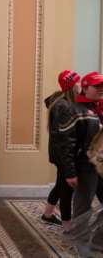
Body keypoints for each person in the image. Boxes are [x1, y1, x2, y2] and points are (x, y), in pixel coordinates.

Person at [59, 72, 103, 257]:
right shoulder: (74, 110)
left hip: (101, 167)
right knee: (82, 207)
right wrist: (69, 172)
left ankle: (98, 244)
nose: (101, 90)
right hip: (85, 168)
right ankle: (80, 244)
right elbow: (65, 144)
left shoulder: (99, 109)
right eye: (97, 86)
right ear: (85, 87)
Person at [41, 70, 81, 232]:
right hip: (63, 154)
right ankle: (67, 226)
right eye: (78, 82)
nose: (81, 85)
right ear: (72, 86)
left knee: (60, 184)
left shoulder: (60, 101)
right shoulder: (64, 106)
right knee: (66, 189)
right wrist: (69, 161)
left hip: (61, 153)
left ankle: (48, 214)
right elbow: (64, 137)